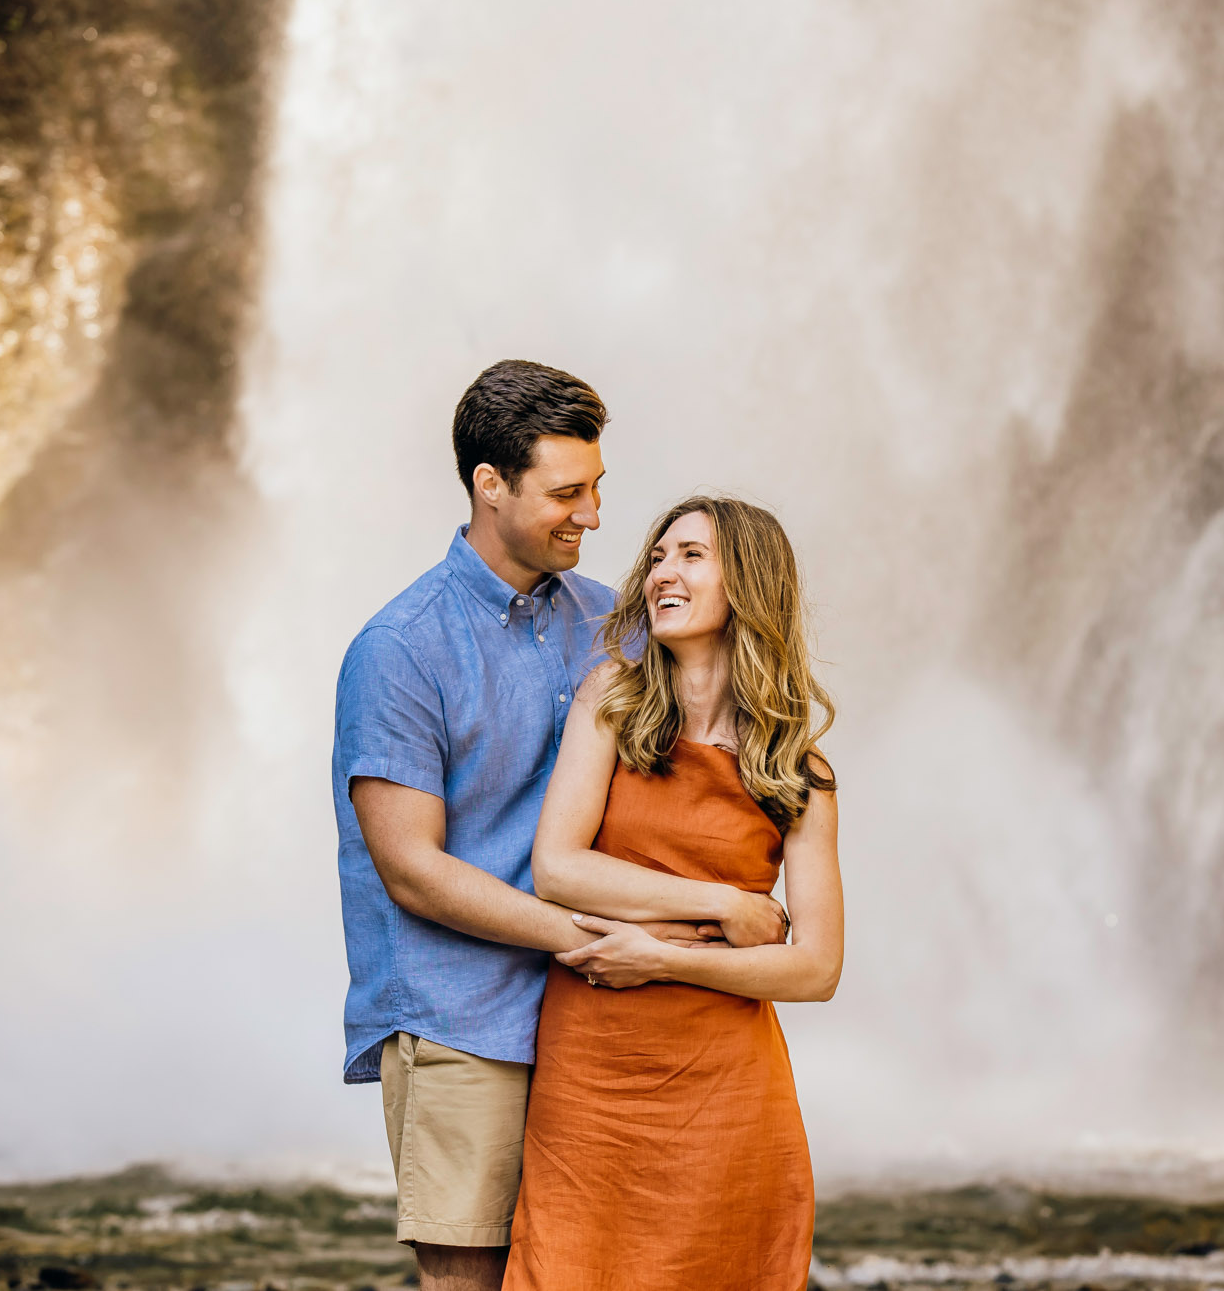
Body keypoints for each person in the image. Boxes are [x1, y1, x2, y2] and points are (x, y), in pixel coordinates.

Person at [333, 363, 789, 1291]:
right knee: (473, 1276)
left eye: (597, 490)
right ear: (488, 484)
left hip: (605, 1027)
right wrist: (610, 937)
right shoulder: (401, 650)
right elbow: (412, 871)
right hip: (468, 1021)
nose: (590, 516)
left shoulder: (613, 627)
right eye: (565, 494)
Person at [501, 495, 844, 1290]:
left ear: (748, 584)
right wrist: (723, 905)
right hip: (593, 1078)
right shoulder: (611, 702)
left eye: (691, 555)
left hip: (725, 1090)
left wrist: (660, 957)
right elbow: (558, 866)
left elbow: (816, 968)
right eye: (657, 557)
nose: (662, 572)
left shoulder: (798, 766)